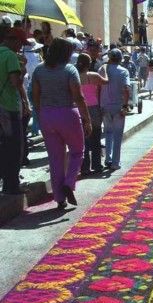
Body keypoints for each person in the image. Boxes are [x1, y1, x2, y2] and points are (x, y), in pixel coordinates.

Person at [32, 37, 92, 209]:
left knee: (55, 158)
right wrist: (87, 119)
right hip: (67, 114)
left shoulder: (39, 70)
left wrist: (40, 113)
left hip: (46, 115)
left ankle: (59, 197)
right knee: (77, 151)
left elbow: (35, 94)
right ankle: (69, 182)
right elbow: (78, 97)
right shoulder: (69, 70)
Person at [0, 28, 31, 195]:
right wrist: (22, 70)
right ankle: (11, 185)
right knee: (14, 148)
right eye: (20, 44)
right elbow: (15, 82)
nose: (20, 47)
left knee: (3, 147)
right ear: (14, 41)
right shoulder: (11, 56)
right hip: (10, 107)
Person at [76, 53, 108, 175]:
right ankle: (97, 165)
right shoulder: (92, 76)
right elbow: (106, 81)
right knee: (96, 137)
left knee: (83, 140)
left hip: (80, 109)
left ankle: (84, 167)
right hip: (94, 108)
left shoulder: (75, 76)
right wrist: (105, 69)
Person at [99, 48, 130, 171]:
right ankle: (115, 162)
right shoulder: (123, 71)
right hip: (118, 106)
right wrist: (125, 106)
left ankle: (108, 158)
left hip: (105, 105)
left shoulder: (102, 70)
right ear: (120, 58)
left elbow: (98, 87)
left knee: (108, 133)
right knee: (117, 135)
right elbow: (127, 89)